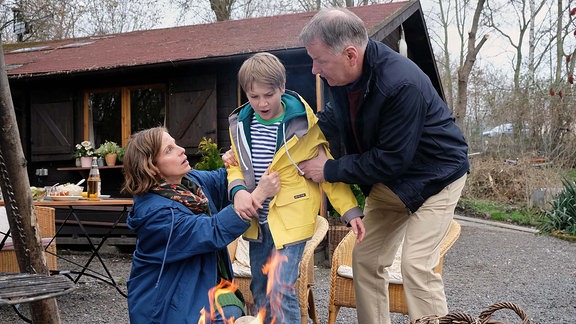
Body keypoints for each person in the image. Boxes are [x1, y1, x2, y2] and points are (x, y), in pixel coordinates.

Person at [297, 8, 470, 324]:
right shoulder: (343, 75)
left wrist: (330, 170)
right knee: (366, 259)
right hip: (391, 179)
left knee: (416, 264)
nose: (314, 69)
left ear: (350, 54)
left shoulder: (400, 84)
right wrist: (291, 139)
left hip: (436, 177)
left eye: (319, 60)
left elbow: (390, 159)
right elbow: (336, 119)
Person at [227, 52, 365, 323]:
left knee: (280, 288)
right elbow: (235, 166)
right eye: (254, 97)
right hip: (258, 221)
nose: (262, 103)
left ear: (282, 86)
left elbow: (327, 170)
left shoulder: (305, 126)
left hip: (292, 220)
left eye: (268, 94)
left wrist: (351, 211)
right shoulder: (241, 126)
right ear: (246, 93)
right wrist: (238, 190)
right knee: (260, 289)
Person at [122, 126, 280, 324]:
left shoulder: (189, 183)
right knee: (231, 314)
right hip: (166, 303)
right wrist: (259, 194)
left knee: (234, 308)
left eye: (175, 143)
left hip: (197, 285)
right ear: (150, 166)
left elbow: (224, 180)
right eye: (168, 150)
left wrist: (236, 162)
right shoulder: (156, 214)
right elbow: (212, 231)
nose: (181, 150)